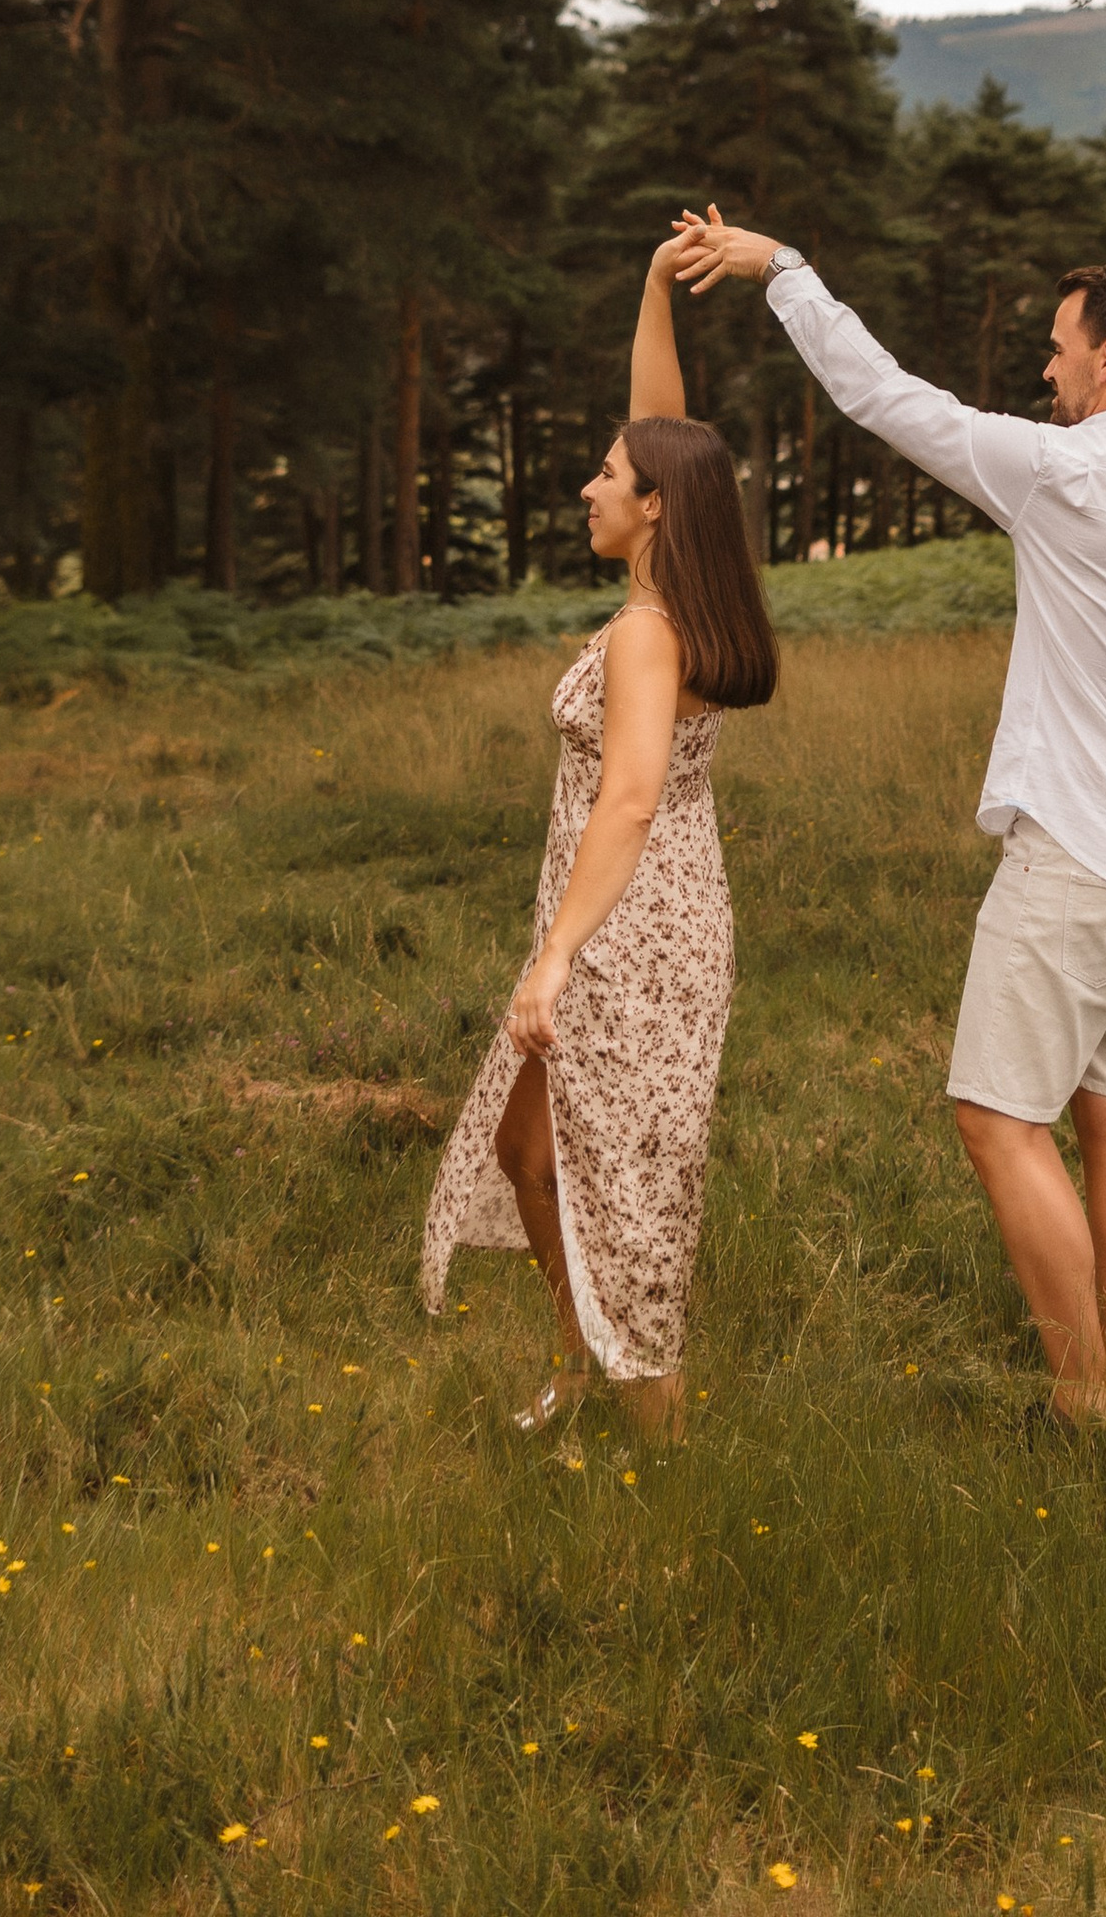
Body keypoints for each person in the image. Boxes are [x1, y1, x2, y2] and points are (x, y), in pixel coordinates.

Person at [674, 213, 1106, 1423]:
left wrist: (786, 270)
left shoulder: (1055, 470)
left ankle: (1086, 1405)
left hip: (1074, 854)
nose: (1045, 368)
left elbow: (883, 396)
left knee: (997, 1119)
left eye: (1060, 347)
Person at [420, 234, 776, 1437]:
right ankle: (582, 1361)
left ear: (655, 507)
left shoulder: (645, 633)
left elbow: (626, 798)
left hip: (630, 929)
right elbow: (662, 428)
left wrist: (557, 952)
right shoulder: (672, 590)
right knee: (533, 1152)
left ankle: (657, 1436)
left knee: (622, 1184)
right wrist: (649, 296)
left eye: (605, 474)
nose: (588, 483)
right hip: (647, 908)